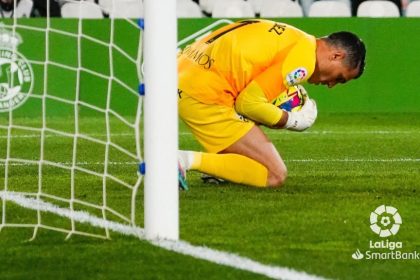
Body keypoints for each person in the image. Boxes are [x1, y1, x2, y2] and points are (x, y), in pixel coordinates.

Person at [177, 19, 366, 189]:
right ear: (336, 56)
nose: (331, 85)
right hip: (203, 94)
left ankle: (219, 166)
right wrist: (291, 120)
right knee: (274, 174)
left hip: (180, 72)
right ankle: (182, 160)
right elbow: (248, 104)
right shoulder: (304, 61)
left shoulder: (296, 37)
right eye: (340, 78)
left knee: (253, 135)